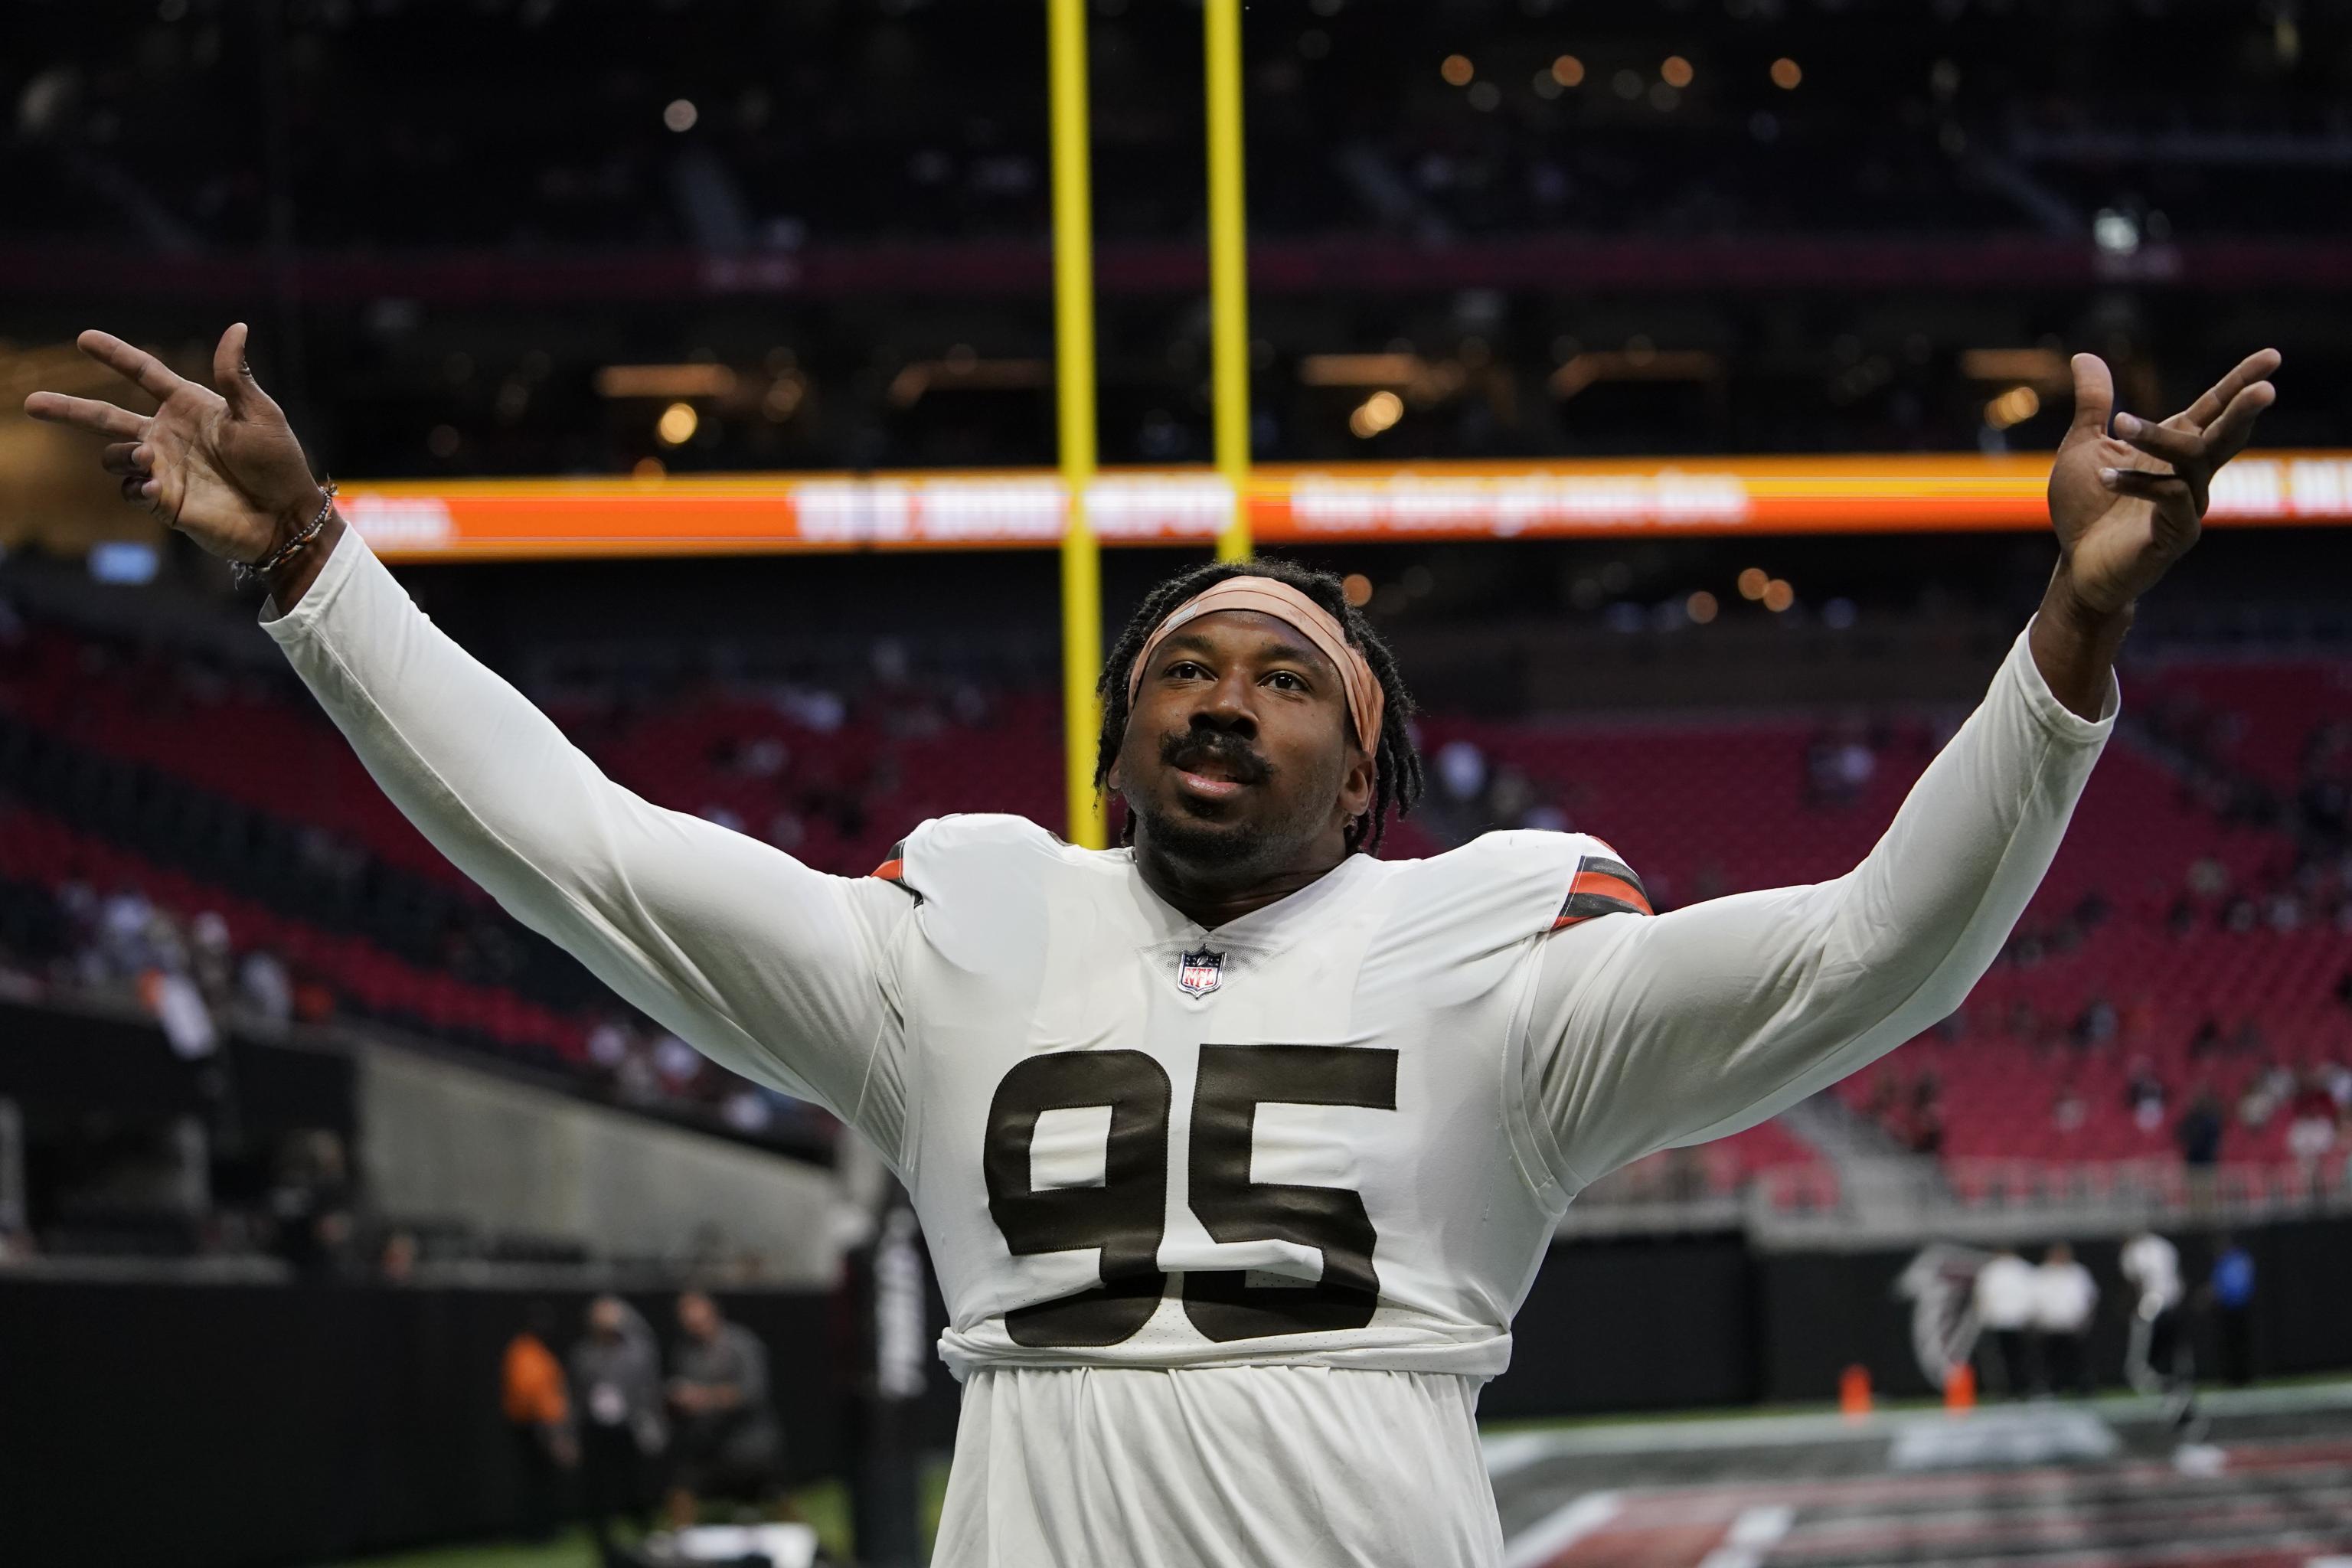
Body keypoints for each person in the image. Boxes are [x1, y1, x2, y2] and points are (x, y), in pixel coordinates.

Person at [27, 327, 2279, 1567]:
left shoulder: (1498, 961)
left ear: (1378, 763)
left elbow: (1880, 944)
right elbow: (579, 846)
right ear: (1112, 727)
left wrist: (2069, 624)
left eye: (1290, 673)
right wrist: (320, 566)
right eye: (1185, 662)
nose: (1225, 691)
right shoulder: (953, 941)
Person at [665, 1292, 786, 1527]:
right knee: (682, 1488)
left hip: (751, 1445)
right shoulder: (686, 1352)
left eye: (698, 1320)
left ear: (713, 1314)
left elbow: (752, 1393)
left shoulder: (742, 1344)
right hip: (708, 1446)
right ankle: (680, 1549)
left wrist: (703, 1397)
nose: (694, 1327)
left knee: (778, 1499)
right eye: (688, 1322)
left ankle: (811, 1550)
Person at [570, 1295, 667, 1559]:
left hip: (629, 1428)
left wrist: (653, 1425)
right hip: (596, 1430)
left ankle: (647, 1535)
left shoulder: (638, 1351)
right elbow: (577, 1397)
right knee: (599, 1490)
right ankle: (604, 1544)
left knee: (636, 1486)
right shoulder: (584, 1354)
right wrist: (570, 1434)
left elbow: (650, 1391)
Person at [501, 1302, 576, 1544]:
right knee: (536, 1482)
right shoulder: (524, 1352)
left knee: (544, 1482)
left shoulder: (534, 1353)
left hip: (539, 1424)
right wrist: (553, 1433)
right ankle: (537, 1531)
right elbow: (532, 1395)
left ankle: (544, 1528)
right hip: (533, 1426)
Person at [2120, 1228, 2192, 1418]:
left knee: (2138, 1368)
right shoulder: (2166, 1247)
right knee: (2170, 1359)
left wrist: (2138, 1307)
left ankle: (2169, 1396)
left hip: (2151, 1307)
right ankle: (2176, 1395)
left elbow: (2137, 1282)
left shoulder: (2134, 1251)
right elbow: (2179, 1279)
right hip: (2171, 1306)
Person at [2032, 1242, 2099, 1396]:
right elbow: (2035, 1300)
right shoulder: (2042, 1274)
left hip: (2073, 1325)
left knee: (2077, 1360)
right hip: (2050, 1326)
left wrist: (2085, 1320)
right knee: (2052, 1361)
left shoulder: (2078, 1272)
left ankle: (2083, 1389)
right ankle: (2054, 1388)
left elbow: (2090, 1298)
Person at [1971, 1247, 2039, 1397]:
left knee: (2020, 1357)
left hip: (2019, 1321)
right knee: (2003, 1359)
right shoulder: (1991, 1271)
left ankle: (2024, 1387)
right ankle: (2005, 1389)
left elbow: (2034, 1295)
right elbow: (1982, 1296)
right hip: (1999, 1322)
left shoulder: (2022, 1269)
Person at [2207, 1233, 2256, 1387]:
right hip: (2228, 1309)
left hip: (2239, 1308)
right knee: (2230, 1346)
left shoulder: (2237, 1259)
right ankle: (2231, 1377)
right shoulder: (2227, 1261)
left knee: (2239, 1345)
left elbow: (2242, 1282)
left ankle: (2242, 1377)